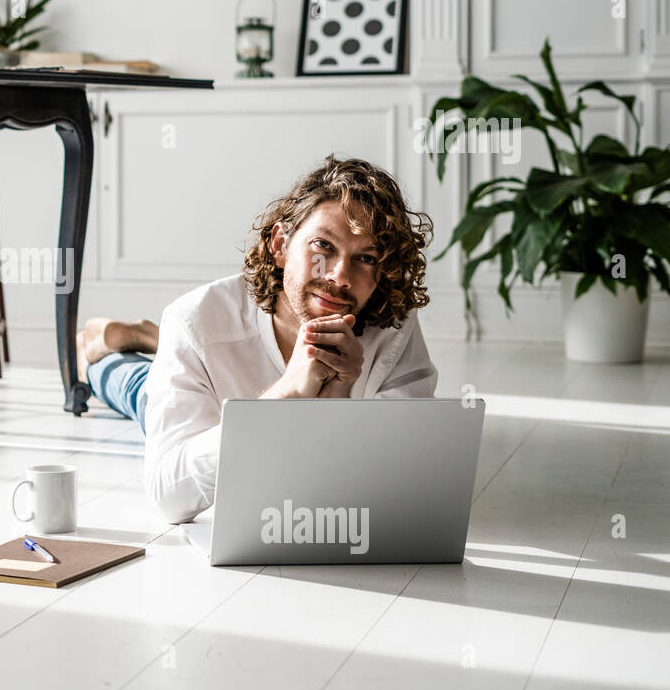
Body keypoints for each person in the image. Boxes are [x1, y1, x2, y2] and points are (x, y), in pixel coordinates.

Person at [76, 155, 439, 524]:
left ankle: (150, 338)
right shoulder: (194, 321)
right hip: (206, 407)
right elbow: (170, 496)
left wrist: (337, 400)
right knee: (136, 387)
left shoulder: (393, 324)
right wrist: (287, 394)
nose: (340, 277)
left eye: (365, 258)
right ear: (280, 245)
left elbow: (403, 471)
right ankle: (114, 350)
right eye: (323, 247)